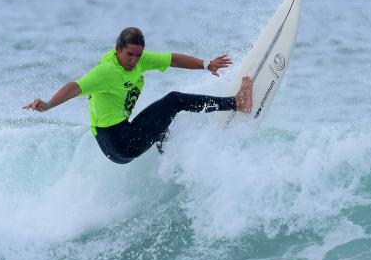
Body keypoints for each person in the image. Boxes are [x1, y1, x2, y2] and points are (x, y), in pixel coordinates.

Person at [24, 27, 253, 164]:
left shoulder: (140, 60)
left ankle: (174, 167)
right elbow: (75, 86)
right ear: (118, 49)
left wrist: (206, 64)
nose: (134, 61)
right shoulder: (107, 71)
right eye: (129, 55)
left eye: (138, 55)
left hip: (119, 141)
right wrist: (48, 104)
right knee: (174, 101)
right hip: (118, 142)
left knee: (162, 124)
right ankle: (237, 102)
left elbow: (172, 59)